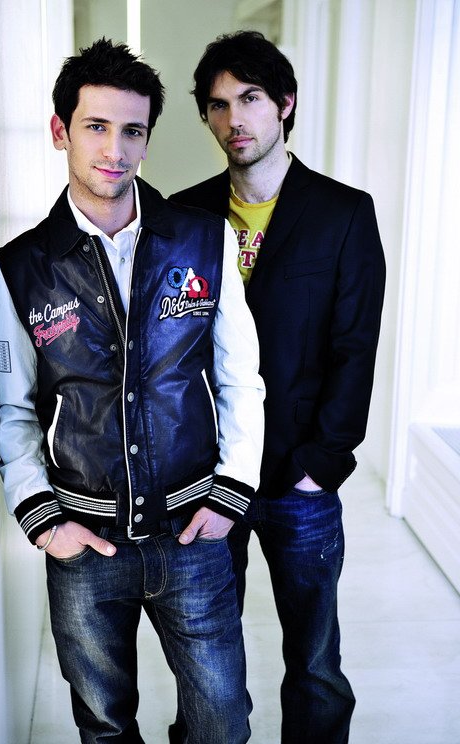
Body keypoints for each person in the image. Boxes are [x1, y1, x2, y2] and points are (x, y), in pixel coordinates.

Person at [0, 38, 265, 744]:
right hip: (84, 542)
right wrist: (44, 520)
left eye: (133, 131)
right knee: (106, 726)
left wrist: (232, 491)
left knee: (222, 723)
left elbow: (239, 376)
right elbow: (14, 409)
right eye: (96, 126)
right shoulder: (20, 268)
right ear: (61, 131)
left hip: (193, 529)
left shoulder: (202, 239)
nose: (115, 150)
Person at [169, 30, 386, 744]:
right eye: (219, 104)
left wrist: (323, 464)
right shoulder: (184, 216)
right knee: (206, 661)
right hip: (206, 476)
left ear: (285, 104)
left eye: (251, 98)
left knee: (315, 663)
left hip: (299, 476)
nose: (235, 119)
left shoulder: (343, 214)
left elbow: (355, 348)